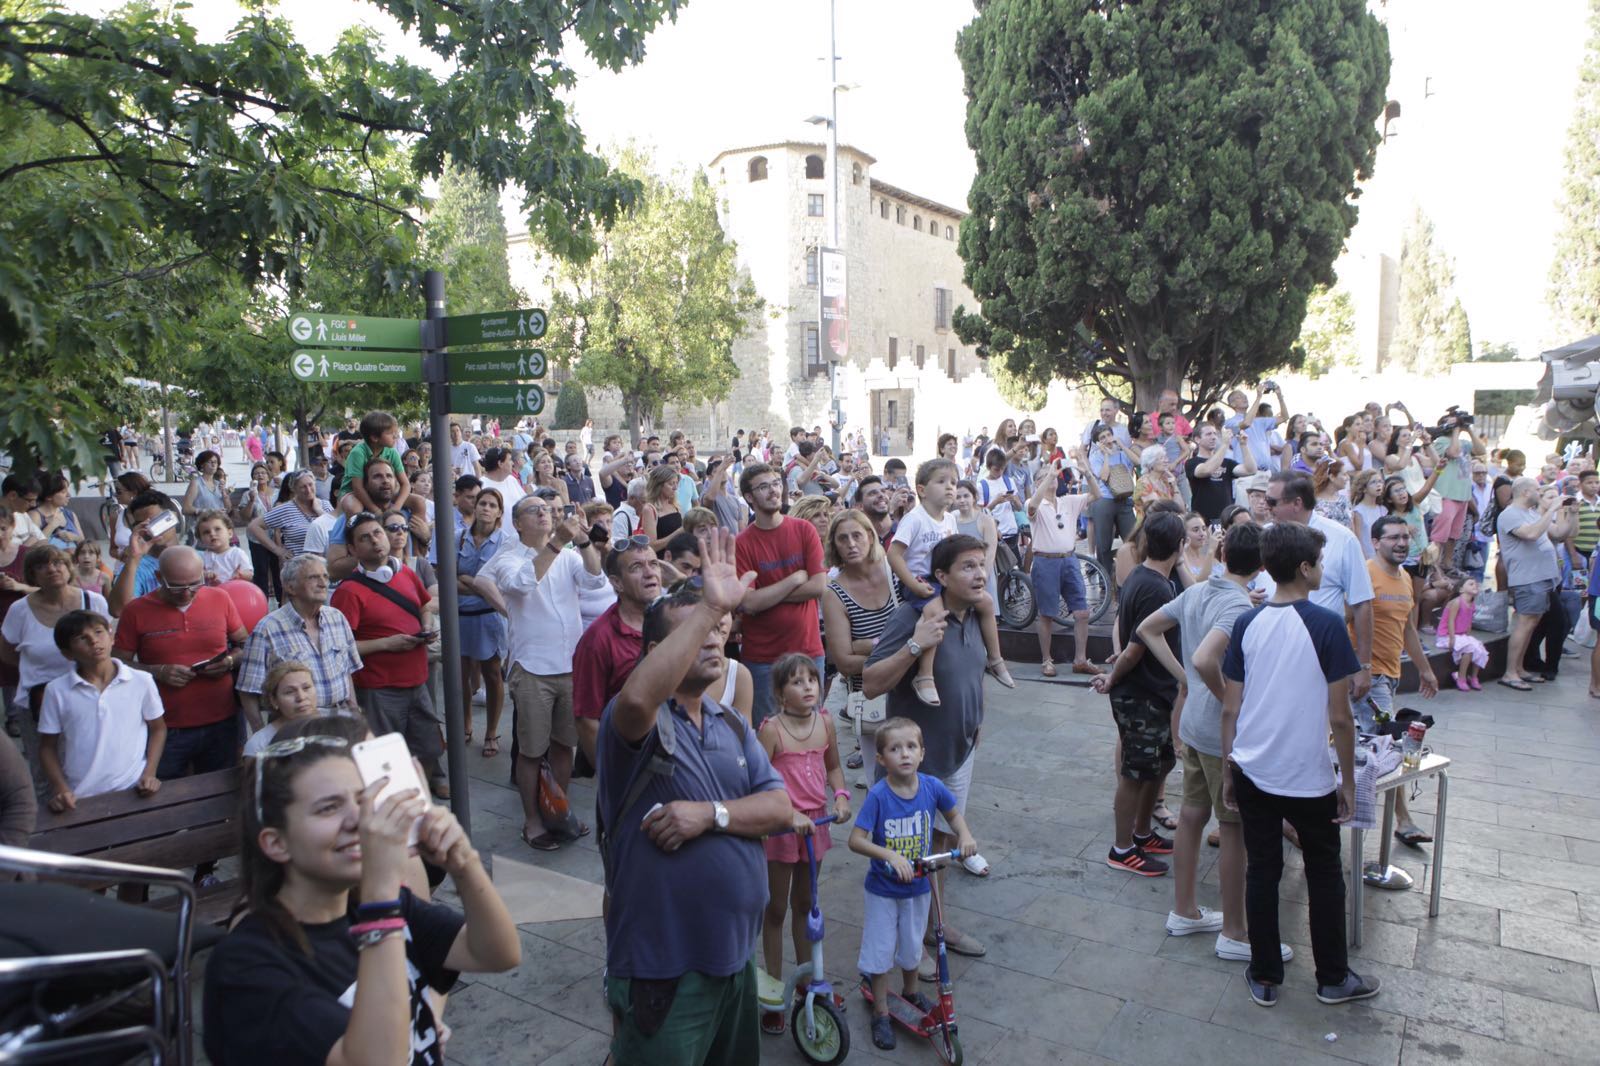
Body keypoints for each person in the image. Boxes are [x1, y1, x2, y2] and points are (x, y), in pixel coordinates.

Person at [203, 719, 520, 1066]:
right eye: (328, 807)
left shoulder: (377, 907)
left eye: (363, 799)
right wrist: (381, 891)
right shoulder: (247, 963)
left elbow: (497, 953)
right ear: (276, 843)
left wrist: (463, 862)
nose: (361, 820)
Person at [597, 533, 793, 1066]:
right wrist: (709, 606)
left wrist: (712, 816)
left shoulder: (730, 723)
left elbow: (779, 810)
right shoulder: (634, 720)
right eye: (696, 634)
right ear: (657, 654)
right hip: (665, 973)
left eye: (717, 632)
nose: (712, 641)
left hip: (734, 962)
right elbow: (639, 694)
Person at [1220, 522, 1378, 1009]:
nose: (1323, 571)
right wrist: (1347, 781)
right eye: (1321, 563)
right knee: (1325, 872)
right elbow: (1340, 716)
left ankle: (1265, 975)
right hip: (1307, 777)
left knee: (1262, 870)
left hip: (1252, 767)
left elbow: (1231, 707)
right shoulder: (1327, 625)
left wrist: (1230, 768)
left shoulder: (1248, 623)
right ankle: (1332, 978)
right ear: (1306, 569)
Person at [1135, 522, 1295, 964]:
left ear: (1223, 554)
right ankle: (1235, 931)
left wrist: (1186, 678)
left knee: (1191, 815)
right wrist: (1223, 693)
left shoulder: (1199, 591)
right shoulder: (1237, 606)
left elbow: (1148, 629)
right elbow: (1206, 657)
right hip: (1219, 728)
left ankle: (1185, 910)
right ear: (1262, 566)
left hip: (1195, 725)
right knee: (1232, 828)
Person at [863, 534, 993, 960]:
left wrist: (977, 721)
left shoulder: (976, 613)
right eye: (968, 567)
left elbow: (973, 674)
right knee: (905, 855)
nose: (979, 574)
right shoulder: (913, 615)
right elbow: (871, 683)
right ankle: (900, 952)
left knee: (938, 843)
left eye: (981, 564)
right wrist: (916, 645)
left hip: (959, 751)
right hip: (912, 763)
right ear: (941, 576)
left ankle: (935, 926)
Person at [476, 496, 604, 851]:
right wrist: (558, 541)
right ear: (517, 523)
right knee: (531, 751)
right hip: (532, 668)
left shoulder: (568, 556)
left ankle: (557, 811)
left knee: (565, 746)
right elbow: (521, 584)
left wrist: (582, 541)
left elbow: (595, 580)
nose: (545, 513)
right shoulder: (507, 558)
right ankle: (532, 820)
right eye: (535, 510)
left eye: (548, 509)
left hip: (570, 665)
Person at [849, 717, 977, 1051]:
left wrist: (964, 835)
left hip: (919, 887)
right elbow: (856, 840)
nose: (904, 754)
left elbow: (953, 815)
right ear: (880, 759)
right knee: (880, 952)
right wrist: (889, 856)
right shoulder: (879, 796)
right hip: (883, 891)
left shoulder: (932, 787)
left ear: (922, 753)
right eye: (894, 748)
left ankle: (909, 992)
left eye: (911, 747)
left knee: (911, 947)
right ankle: (880, 1010)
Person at [757, 654, 850, 1036]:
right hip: (782, 828)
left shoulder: (825, 723)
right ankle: (773, 992)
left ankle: (806, 981)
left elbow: (833, 767)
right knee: (777, 907)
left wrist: (841, 795)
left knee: (807, 905)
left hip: (816, 825)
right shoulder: (771, 730)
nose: (808, 686)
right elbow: (759, 781)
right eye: (797, 682)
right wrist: (782, 816)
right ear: (780, 694)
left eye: (812, 679)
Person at [1090, 511, 1185, 876]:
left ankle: (1144, 833)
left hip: (1154, 691)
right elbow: (1136, 647)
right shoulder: (1156, 587)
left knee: (1157, 766)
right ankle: (1122, 847)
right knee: (1134, 773)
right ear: (1178, 546)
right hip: (1141, 692)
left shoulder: (1143, 577)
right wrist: (1113, 677)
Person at [330, 512, 444, 794]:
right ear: (354, 550)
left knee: (428, 747)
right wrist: (387, 644)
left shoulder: (405, 572)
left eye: (377, 533)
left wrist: (426, 627)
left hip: (418, 683)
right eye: (364, 538)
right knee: (385, 762)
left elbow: (424, 605)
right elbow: (341, 648)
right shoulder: (349, 592)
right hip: (379, 689)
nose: (374, 541)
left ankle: (419, 799)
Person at [112, 546, 247, 780]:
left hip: (222, 720)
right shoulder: (136, 611)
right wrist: (157, 671)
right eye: (176, 587)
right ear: (158, 578)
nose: (187, 593)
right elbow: (117, 664)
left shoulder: (219, 597)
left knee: (221, 790)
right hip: (166, 727)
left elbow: (246, 645)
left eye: (195, 584)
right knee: (168, 795)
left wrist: (229, 661)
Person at [887, 458, 1012, 704]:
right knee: (935, 609)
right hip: (921, 579)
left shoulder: (950, 520)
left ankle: (995, 659)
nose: (950, 487)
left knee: (986, 602)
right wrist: (912, 583)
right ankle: (924, 674)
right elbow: (894, 554)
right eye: (941, 481)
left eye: (953, 482)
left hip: (945, 577)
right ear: (922, 490)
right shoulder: (915, 519)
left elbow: (954, 551)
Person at [1356, 514, 1439, 851]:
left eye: (1405, 537)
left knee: (1381, 748)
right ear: (1375, 542)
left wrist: (1425, 669)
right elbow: (1346, 619)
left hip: (1389, 677)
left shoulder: (1405, 578)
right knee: (1383, 749)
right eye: (1393, 537)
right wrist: (1356, 668)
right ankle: (1402, 820)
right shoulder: (1364, 573)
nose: (1402, 543)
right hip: (1365, 679)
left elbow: (1406, 630)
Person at [38, 610, 165, 812]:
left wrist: (149, 773)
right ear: (67, 653)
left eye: (98, 632)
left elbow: (158, 728)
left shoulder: (141, 680)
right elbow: (47, 747)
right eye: (82, 638)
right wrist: (61, 788)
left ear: (112, 636)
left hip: (132, 789)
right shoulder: (57, 690)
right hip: (81, 795)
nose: (94, 641)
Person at [735, 463, 827, 725]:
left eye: (776, 483)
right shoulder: (742, 544)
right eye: (764, 487)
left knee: (811, 731)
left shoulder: (803, 530)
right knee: (769, 735)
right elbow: (748, 602)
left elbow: (818, 586)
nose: (774, 491)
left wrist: (766, 595)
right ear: (749, 497)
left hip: (808, 649)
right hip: (763, 658)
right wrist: (793, 581)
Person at [238, 555, 362, 728]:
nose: (323, 583)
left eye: (325, 576)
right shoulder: (267, 629)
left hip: (340, 720)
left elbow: (346, 671)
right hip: (295, 726)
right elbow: (248, 690)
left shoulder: (337, 618)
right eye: (313, 577)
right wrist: (261, 734)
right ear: (290, 587)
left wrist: (354, 711)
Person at [571, 535, 659, 772]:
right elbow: (587, 720)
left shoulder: (672, 620)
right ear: (617, 583)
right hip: (630, 765)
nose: (650, 573)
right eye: (636, 567)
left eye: (654, 564)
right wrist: (612, 777)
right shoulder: (598, 640)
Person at [1028, 448, 1100, 676]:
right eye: (1044, 478)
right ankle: (1046, 659)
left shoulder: (1068, 501)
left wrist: (1086, 471)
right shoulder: (1035, 502)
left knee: (1082, 612)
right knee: (1047, 614)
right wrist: (1048, 475)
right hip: (1045, 561)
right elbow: (1032, 506)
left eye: (1053, 477)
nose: (1051, 479)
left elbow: (1096, 495)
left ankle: (1080, 659)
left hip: (1069, 559)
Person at [1495, 477, 1570, 691]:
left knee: (1532, 624)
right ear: (1526, 492)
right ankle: (1510, 672)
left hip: (1542, 578)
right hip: (1527, 579)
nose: (1540, 492)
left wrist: (1567, 512)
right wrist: (1551, 508)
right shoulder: (1509, 514)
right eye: (1537, 489)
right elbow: (1532, 533)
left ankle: (1519, 668)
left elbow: (1560, 533)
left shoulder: (1531, 513)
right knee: (1524, 623)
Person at [455, 489, 507, 756]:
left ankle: (491, 732)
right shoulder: (458, 537)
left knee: (493, 674)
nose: (486, 508)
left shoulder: (505, 542)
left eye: (492, 505)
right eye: (482, 503)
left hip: (489, 618)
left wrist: (467, 580)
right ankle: (465, 725)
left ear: (499, 512)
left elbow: (502, 586)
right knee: (460, 677)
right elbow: (446, 580)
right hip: (460, 617)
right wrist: (482, 586)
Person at [337, 410, 413, 519]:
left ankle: (418, 534)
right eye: (390, 433)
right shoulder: (358, 453)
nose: (395, 436)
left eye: (395, 432)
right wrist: (376, 511)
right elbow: (357, 487)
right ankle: (351, 534)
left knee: (418, 502)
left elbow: (406, 484)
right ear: (374, 438)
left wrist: (396, 508)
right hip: (353, 492)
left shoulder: (392, 452)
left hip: (381, 491)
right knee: (354, 509)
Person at [241, 660, 320, 756]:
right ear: (274, 700)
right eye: (289, 692)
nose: (301, 697)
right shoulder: (260, 744)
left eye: (306, 688)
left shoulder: (335, 724)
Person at [251, 470, 328, 564]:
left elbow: (336, 532)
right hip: (298, 569)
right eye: (303, 487)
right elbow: (254, 526)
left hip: (325, 568)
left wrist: (319, 511)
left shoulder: (325, 505)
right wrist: (277, 550)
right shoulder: (285, 509)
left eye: (310, 484)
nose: (308, 490)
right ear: (294, 489)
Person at [1186, 424, 1256, 524]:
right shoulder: (1192, 462)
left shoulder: (1227, 462)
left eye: (1215, 434)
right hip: (1203, 520)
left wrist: (1244, 445)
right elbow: (1206, 470)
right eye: (1208, 434)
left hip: (1226, 519)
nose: (1213, 437)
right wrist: (1224, 445)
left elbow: (1251, 470)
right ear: (1197, 439)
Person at [233, 462, 281, 602]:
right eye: (256, 473)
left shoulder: (277, 493)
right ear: (252, 478)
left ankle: (281, 601)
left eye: (263, 472)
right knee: (261, 572)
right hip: (257, 540)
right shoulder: (248, 495)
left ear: (268, 476)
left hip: (276, 538)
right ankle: (261, 602)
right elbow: (245, 517)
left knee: (278, 571)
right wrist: (252, 501)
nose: (260, 475)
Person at [195, 509, 253, 584]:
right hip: (212, 593)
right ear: (201, 539)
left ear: (230, 533)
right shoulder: (202, 557)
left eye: (217, 529)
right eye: (206, 532)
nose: (212, 534)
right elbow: (196, 575)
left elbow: (250, 574)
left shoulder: (237, 553)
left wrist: (241, 574)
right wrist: (205, 574)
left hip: (234, 591)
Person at [30, 473, 83, 550]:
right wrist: (52, 525)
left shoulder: (70, 514)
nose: (69, 495)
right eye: (63, 492)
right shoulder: (35, 516)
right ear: (49, 496)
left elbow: (84, 545)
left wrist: (75, 537)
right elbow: (30, 548)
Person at [181, 450, 229, 517]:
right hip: (199, 525)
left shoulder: (218, 484)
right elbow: (186, 509)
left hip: (217, 523)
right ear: (202, 465)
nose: (213, 464)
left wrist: (224, 493)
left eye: (215, 462)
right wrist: (208, 512)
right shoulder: (196, 483)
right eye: (210, 462)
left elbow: (228, 509)